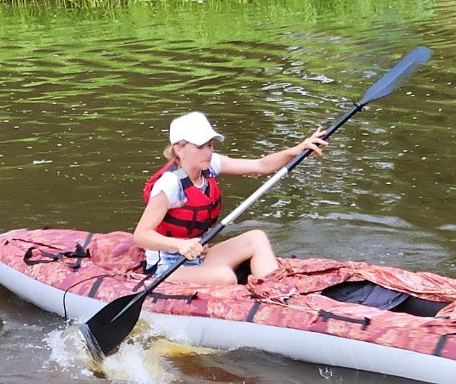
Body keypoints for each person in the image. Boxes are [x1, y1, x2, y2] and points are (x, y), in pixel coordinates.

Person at [133, 111, 326, 286]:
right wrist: (180, 244)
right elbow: (141, 235)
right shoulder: (169, 185)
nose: (208, 152)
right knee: (225, 277)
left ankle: (274, 293)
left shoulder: (210, 165)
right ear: (178, 149)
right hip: (168, 267)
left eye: (210, 145)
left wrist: (296, 150)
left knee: (256, 238)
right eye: (200, 146)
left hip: (199, 256)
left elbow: (260, 165)